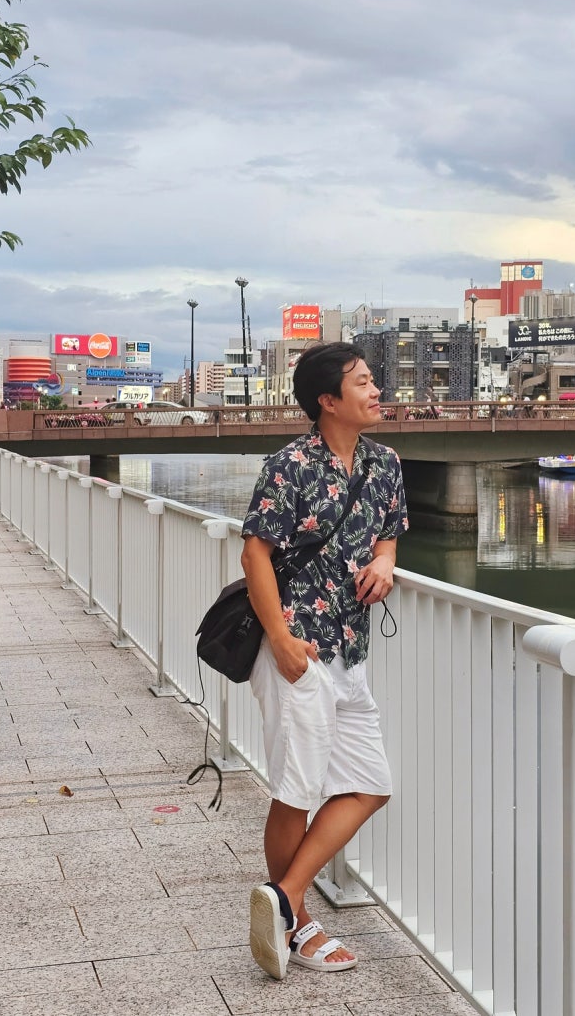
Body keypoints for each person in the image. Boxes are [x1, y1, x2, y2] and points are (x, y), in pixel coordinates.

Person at [240, 342, 408, 981]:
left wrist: (386, 562)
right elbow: (256, 554)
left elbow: (388, 531)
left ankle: (282, 897)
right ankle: (298, 921)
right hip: (299, 651)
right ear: (327, 401)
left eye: (373, 381)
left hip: (351, 649)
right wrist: (281, 641)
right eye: (363, 383)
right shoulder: (290, 466)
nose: (376, 391)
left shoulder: (385, 463)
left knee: (370, 783)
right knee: (297, 790)